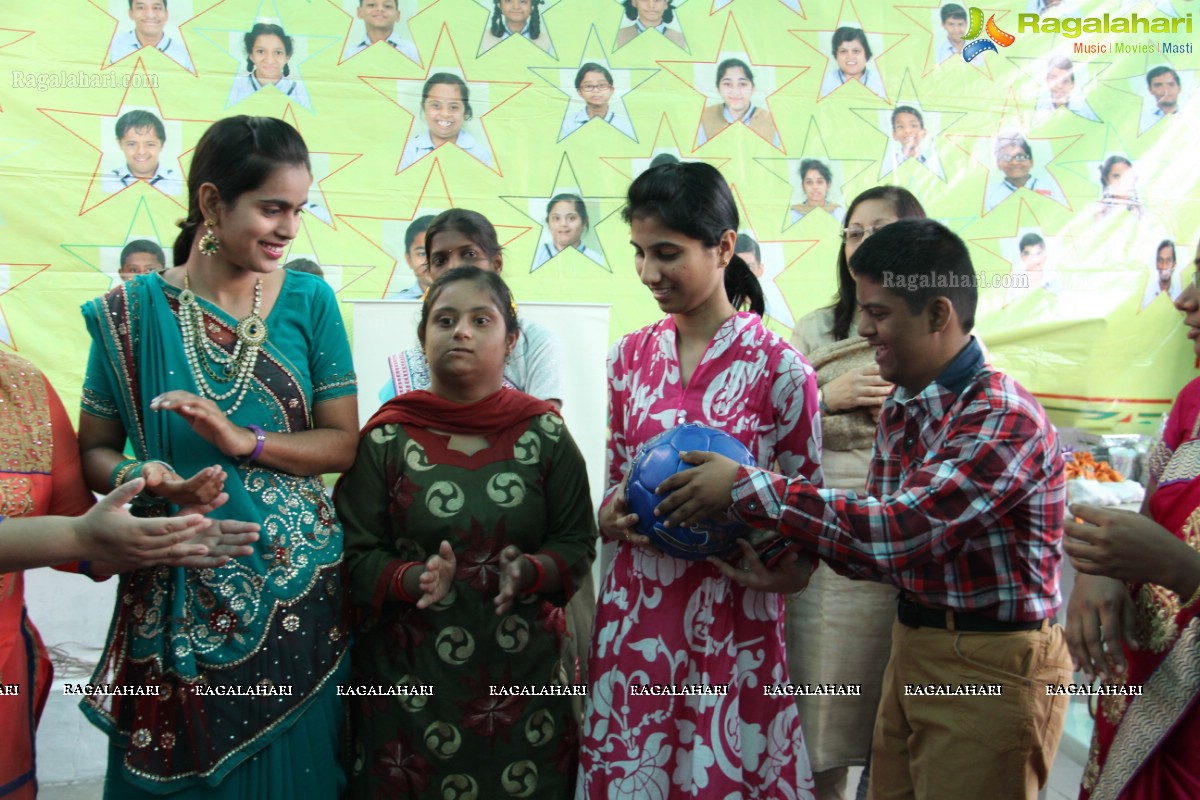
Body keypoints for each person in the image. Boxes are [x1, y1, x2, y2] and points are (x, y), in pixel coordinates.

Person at [656, 218, 1072, 800]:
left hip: (990, 665)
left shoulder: (1001, 417)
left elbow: (897, 532)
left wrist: (748, 488)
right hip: (916, 644)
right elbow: (879, 546)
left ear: (938, 315)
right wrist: (796, 564)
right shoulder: (905, 403)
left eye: (878, 313)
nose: (863, 328)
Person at [77, 115, 360, 797]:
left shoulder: (310, 300)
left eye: (297, 209)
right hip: (172, 576)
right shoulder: (131, 314)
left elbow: (344, 442)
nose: (288, 229)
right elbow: (95, 448)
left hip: (297, 597)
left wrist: (248, 442)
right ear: (211, 203)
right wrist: (141, 478)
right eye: (271, 208)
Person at [577, 161, 821, 798]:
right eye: (639, 253)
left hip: (734, 618)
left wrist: (787, 569)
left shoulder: (783, 370)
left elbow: (808, 511)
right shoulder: (628, 358)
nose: (649, 273)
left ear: (724, 247)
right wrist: (609, 514)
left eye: (667, 253)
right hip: (637, 616)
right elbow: (613, 479)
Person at [338, 266, 596, 799]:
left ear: (511, 341)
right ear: (422, 338)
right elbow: (353, 552)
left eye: (482, 320)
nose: (461, 332)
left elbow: (576, 540)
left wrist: (530, 570)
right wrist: (413, 580)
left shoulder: (545, 433)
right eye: (445, 320)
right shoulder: (385, 438)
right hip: (408, 688)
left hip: (524, 681)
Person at [0, 352, 259, 800]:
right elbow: (75, 534)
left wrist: (157, 538)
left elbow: (75, 535)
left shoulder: (20, 387)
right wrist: (82, 536)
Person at [785, 186, 924, 800]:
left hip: (898, 530)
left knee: (890, 711)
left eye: (879, 229)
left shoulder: (937, 325)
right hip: (821, 533)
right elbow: (772, 420)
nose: (861, 243)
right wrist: (826, 399)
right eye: (852, 232)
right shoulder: (815, 327)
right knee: (819, 701)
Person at [1065, 271, 1200, 800]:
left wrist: (1184, 572)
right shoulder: (1194, 402)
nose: (1184, 301)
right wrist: (1102, 569)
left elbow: (1171, 555)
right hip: (1144, 698)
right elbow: (1150, 502)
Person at [379, 209, 565, 407]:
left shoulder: (535, 343)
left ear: (496, 263)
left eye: (469, 254)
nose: (454, 268)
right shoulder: (420, 355)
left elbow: (544, 430)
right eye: (440, 260)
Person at [400, 73, 494, 169]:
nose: (445, 114)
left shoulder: (480, 155)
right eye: (436, 105)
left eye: (454, 107)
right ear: (424, 108)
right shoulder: (407, 153)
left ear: (465, 111)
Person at [697, 58, 780, 146]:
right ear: (718, 89)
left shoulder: (770, 121)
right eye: (727, 84)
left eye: (743, 84)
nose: (735, 92)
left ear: (753, 88)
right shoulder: (704, 117)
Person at [100, 110, 183, 196]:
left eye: (150, 144)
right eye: (131, 144)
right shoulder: (106, 183)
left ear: (162, 144)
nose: (141, 151)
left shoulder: (178, 184)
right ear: (120, 143)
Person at [229, 23, 312, 107]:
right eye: (261, 51)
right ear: (251, 55)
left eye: (278, 52)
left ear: (287, 57)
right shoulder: (235, 87)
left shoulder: (299, 90)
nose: (269, 60)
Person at [984, 129, 1065, 211]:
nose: (1014, 162)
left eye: (1020, 157)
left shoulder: (1052, 186)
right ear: (998, 163)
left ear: (1031, 161)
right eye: (1006, 157)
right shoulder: (988, 194)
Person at [108, 0, 193, 70]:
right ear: (131, 13)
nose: (150, 15)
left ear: (166, 14)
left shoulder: (185, 55)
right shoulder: (112, 47)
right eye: (141, 7)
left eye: (156, 7)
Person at [559, 63, 634, 139]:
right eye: (588, 86)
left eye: (601, 85)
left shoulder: (625, 126)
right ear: (579, 92)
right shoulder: (567, 126)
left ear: (611, 90)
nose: (595, 90)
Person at [534, 193, 605, 269]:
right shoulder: (536, 257)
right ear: (548, 223)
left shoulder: (598, 261)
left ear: (584, 222)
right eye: (556, 218)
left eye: (571, 218)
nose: (563, 224)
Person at [819, 27, 885, 99]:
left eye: (856, 51)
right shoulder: (826, 82)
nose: (850, 57)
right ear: (836, 55)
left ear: (866, 54)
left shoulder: (881, 81)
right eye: (843, 51)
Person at [346, 0, 418, 62]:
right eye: (372, 5)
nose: (380, 9)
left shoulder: (413, 53)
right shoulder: (349, 55)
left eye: (387, 6)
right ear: (359, 12)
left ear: (398, 15)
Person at [1032, 56, 1099, 124]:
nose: (1059, 86)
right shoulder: (1037, 114)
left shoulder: (1084, 112)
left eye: (1065, 81)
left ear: (1072, 84)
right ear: (1047, 81)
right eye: (1054, 80)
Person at [384, 214, 435, 299]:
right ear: (409, 259)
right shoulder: (393, 305)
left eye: (439, 253)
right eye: (422, 253)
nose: (430, 261)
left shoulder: (463, 301)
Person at [480, 0, 553, 54]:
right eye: (508, 1)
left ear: (532, 6)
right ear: (499, 5)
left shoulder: (546, 42)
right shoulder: (484, 39)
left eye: (523, 1)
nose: (516, 7)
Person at [790, 159, 844, 223]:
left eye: (820, 182)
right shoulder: (794, 214)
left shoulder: (838, 212)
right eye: (809, 182)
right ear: (803, 186)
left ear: (828, 185)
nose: (815, 187)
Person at [615, 0, 685, 49]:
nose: (651, 5)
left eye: (657, 0)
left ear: (665, 4)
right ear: (634, 2)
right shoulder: (618, 36)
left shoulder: (681, 39)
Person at [1094, 155, 1145, 221]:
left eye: (1127, 176)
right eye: (1116, 176)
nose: (1122, 181)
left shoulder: (1139, 207)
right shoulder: (1101, 208)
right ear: (1107, 179)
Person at [887, 106, 936, 173]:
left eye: (913, 125)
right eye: (901, 126)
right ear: (894, 135)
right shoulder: (888, 165)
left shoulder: (932, 164)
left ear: (923, 133)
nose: (907, 131)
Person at [1141, 238, 1182, 309]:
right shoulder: (1147, 296)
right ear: (1156, 265)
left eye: (1168, 260)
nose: (1164, 265)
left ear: (1174, 264)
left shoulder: (1180, 296)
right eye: (1161, 260)